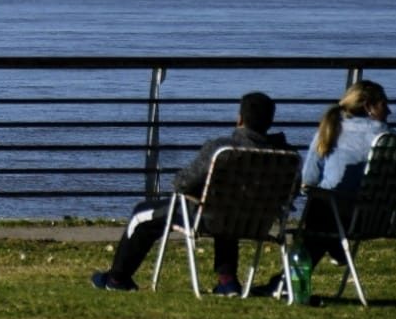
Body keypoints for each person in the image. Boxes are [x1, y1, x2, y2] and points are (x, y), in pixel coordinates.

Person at [91, 91, 293, 296]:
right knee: (229, 208)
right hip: (257, 221)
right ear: (269, 121)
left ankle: (117, 278)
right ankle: (227, 281)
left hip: (210, 218)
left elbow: (183, 184)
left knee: (141, 214)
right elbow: (291, 192)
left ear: (239, 119)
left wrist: (189, 187)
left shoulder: (222, 149)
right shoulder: (286, 156)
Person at [255, 80, 391, 296]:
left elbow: (308, 179)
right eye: (385, 104)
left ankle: (285, 282)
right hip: (378, 219)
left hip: (340, 217)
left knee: (320, 212)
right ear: (368, 107)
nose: (390, 111)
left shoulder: (330, 130)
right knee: (323, 216)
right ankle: (324, 254)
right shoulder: (387, 138)